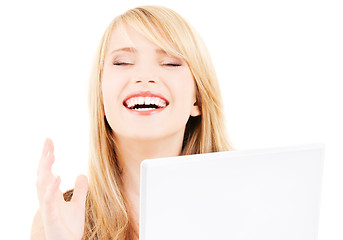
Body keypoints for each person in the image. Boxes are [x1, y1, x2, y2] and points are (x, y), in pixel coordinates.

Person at [31, 5, 232, 240]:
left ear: (197, 100)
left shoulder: (246, 197)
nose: (144, 76)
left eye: (170, 63)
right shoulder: (59, 218)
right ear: (102, 100)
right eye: (123, 62)